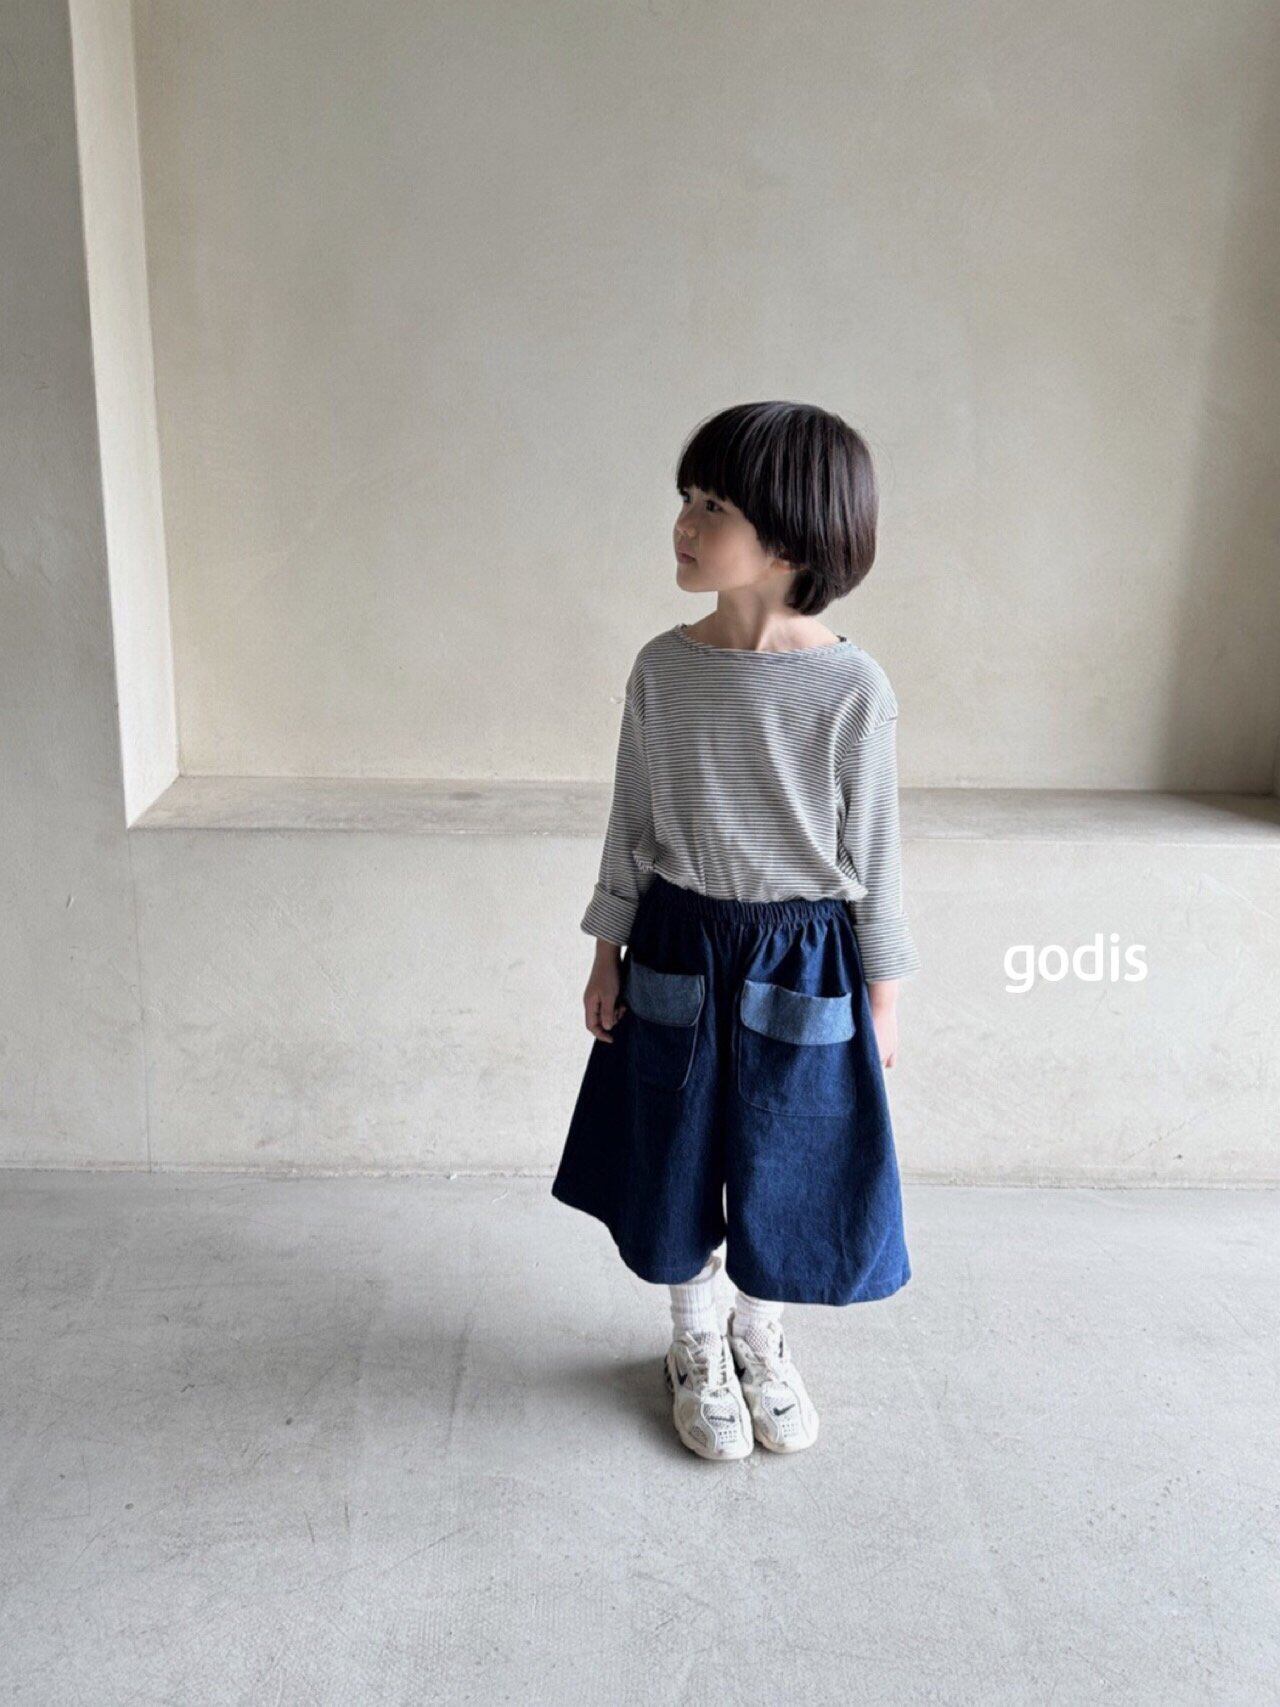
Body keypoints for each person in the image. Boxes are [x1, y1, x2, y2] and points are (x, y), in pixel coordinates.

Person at [552, 400, 921, 1461]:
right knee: (672, 1151)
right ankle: (693, 1340)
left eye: (713, 505)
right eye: (687, 497)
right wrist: (607, 950)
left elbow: (876, 850)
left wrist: (883, 999)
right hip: (676, 937)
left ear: (792, 538)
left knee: (788, 1154)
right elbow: (631, 820)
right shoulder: (661, 669)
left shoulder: (851, 686)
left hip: (806, 955)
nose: (684, 521)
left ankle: (760, 1335)